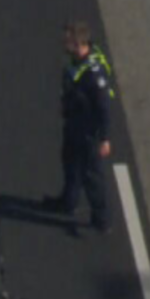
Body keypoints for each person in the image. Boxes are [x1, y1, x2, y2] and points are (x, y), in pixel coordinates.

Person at [45, 20, 115, 234]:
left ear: (77, 43)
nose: (63, 44)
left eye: (67, 40)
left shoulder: (93, 74)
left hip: (89, 133)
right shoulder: (78, 61)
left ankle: (101, 220)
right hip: (75, 124)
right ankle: (68, 202)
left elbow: (103, 108)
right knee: (70, 164)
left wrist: (104, 138)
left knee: (91, 176)